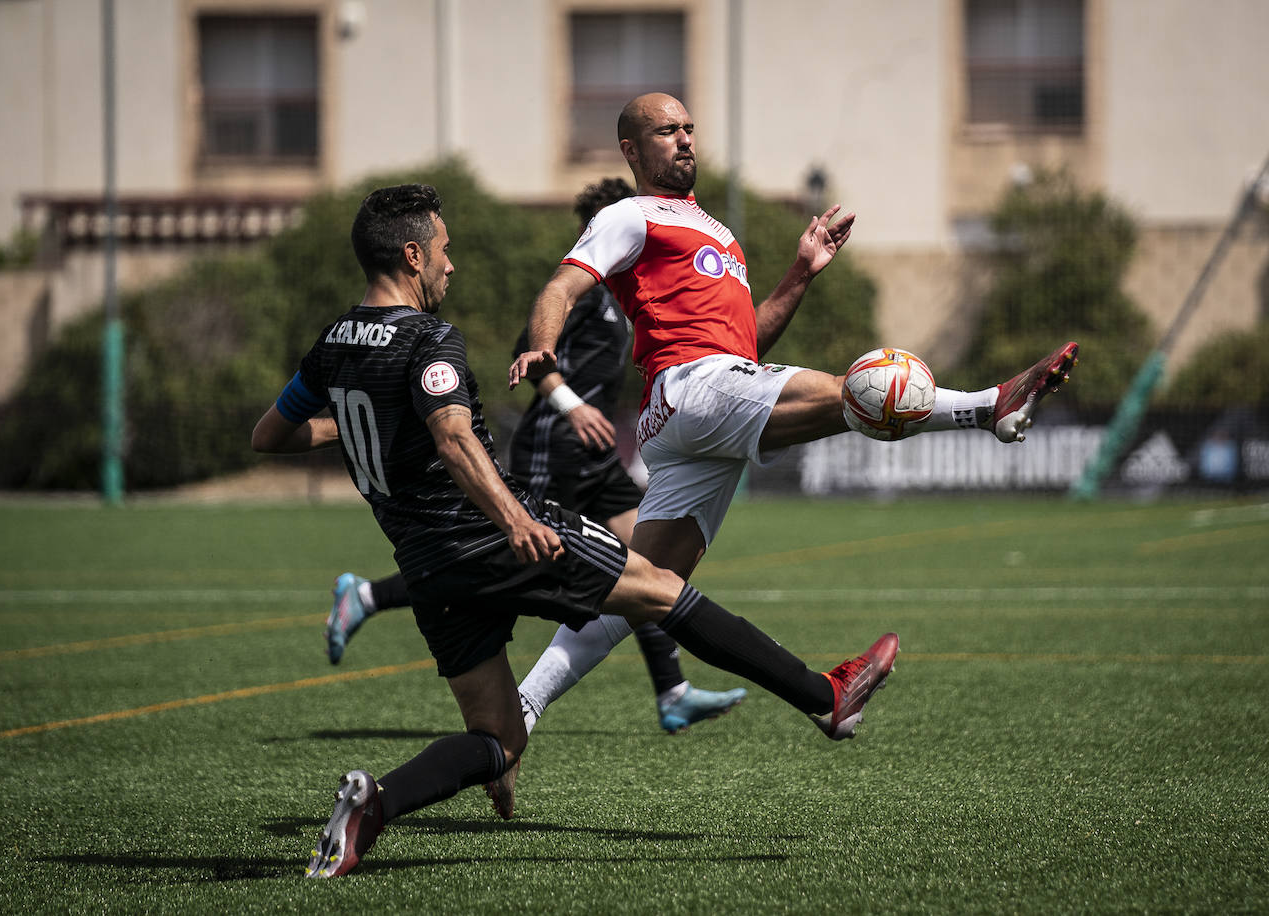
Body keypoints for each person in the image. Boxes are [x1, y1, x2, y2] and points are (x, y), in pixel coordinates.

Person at [252, 184, 898, 878]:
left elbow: (271, 434)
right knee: (662, 588)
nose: (451, 265)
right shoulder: (429, 338)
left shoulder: (333, 344)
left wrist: (362, 432)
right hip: (489, 533)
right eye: (444, 250)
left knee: (498, 739)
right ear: (411, 255)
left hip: (427, 563)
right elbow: (452, 437)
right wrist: (516, 519)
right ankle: (827, 699)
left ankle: (373, 807)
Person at [507, 92, 1077, 700]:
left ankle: (522, 708)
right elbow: (561, 288)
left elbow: (744, 345)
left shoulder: (718, 233)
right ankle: (992, 406)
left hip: (691, 410)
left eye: (689, 128)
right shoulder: (629, 215)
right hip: (689, 387)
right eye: (667, 130)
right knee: (860, 390)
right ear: (631, 149)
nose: (685, 139)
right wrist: (543, 346)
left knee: (640, 591)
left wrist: (801, 272)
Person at [321, 178, 747, 741]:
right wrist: (570, 406)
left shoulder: (633, 292)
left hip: (594, 456)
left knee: (648, 568)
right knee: (519, 556)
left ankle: (671, 692)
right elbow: (532, 346)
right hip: (556, 446)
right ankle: (369, 595)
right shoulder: (585, 291)